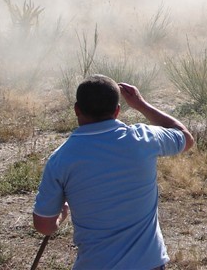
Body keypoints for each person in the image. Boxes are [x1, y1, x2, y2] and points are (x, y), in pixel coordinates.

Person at [33, 75, 194, 269]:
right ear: (117, 111)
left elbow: (44, 225)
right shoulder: (144, 138)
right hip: (149, 263)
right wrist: (141, 104)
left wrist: (61, 214)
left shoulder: (61, 159)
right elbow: (185, 138)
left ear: (76, 109)